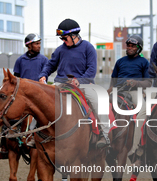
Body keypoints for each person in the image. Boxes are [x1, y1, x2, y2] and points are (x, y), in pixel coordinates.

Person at [38, 18, 109, 148]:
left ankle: (105, 134)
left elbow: (92, 70)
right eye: (61, 39)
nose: (63, 41)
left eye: (65, 38)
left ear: (74, 35)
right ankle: (33, 135)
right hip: (61, 83)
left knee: (98, 101)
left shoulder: (88, 48)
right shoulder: (60, 50)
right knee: (40, 101)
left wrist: (79, 80)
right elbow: (50, 65)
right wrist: (43, 75)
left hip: (83, 84)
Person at [0, 33, 48, 160]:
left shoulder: (44, 60)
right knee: (6, 117)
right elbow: (15, 80)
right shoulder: (20, 60)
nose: (39, 46)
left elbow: (45, 78)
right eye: (36, 44)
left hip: (37, 97)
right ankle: (4, 148)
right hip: (22, 96)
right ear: (29, 45)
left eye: (39, 43)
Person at [108, 35, 151, 159]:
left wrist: (136, 82)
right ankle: (102, 141)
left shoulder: (144, 62)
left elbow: (149, 83)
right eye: (128, 45)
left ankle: (136, 147)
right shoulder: (120, 61)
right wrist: (110, 90)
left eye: (133, 46)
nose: (130, 48)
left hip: (134, 92)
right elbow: (113, 80)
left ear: (139, 48)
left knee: (143, 111)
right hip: (118, 92)